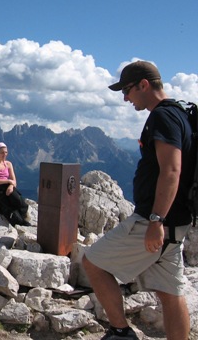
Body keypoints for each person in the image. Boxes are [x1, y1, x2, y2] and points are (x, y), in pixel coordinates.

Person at [82, 61, 194, 340]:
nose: (125, 97)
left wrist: (156, 219)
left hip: (153, 222)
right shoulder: (181, 113)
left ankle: (121, 332)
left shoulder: (162, 117)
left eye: (127, 90)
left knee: (93, 262)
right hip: (178, 223)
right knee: (170, 292)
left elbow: (171, 169)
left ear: (144, 84)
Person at [0, 142, 31, 227]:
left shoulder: (8, 164)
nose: (4, 154)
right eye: (2, 152)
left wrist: (10, 186)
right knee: (7, 206)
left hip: (7, 186)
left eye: (6, 152)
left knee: (18, 200)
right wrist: (8, 181)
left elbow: (14, 180)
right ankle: (20, 223)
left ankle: (23, 216)